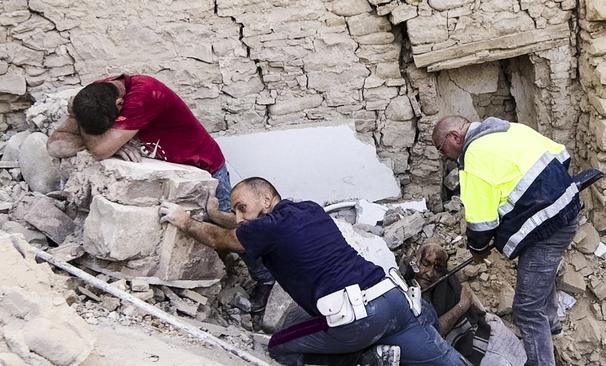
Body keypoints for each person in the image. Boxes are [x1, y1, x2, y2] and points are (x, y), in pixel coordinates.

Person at [159, 177, 470, 366]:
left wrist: (185, 221)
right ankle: (381, 350)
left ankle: (365, 358)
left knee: (281, 345)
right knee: (442, 361)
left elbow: (218, 238)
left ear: (267, 200)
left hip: (358, 318)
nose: (239, 216)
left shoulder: (267, 228)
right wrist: (217, 213)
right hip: (394, 298)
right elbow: (246, 227)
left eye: (242, 207)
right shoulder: (307, 208)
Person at [46, 74, 274, 312]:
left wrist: (103, 141)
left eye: (110, 128)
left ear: (120, 106)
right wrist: (107, 138)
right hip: (165, 172)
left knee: (237, 231)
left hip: (204, 168)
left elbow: (100, 149)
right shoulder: (91, 98)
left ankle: (265, 280)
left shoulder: (145, 94)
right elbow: (55, 145)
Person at [431, 115, 580, 366]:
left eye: (441, 149)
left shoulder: (473, 156)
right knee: (538, 278)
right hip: (568, 207)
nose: (444, 156)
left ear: (455, 137)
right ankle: (552, 326)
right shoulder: (509, 129)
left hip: (546, 228)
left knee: (527, 310)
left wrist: (478, 249)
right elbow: (562, 156)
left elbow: (481, 223)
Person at [409, 241, 526, 366]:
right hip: (431, 346)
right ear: (415, 261)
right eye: (425, 264)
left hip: (472, 332)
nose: (429, 274)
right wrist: (462, 306)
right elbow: (431, 332)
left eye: (438, 269)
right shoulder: (401, 285)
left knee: (506, 344)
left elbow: (475, 312)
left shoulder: (447, 285)